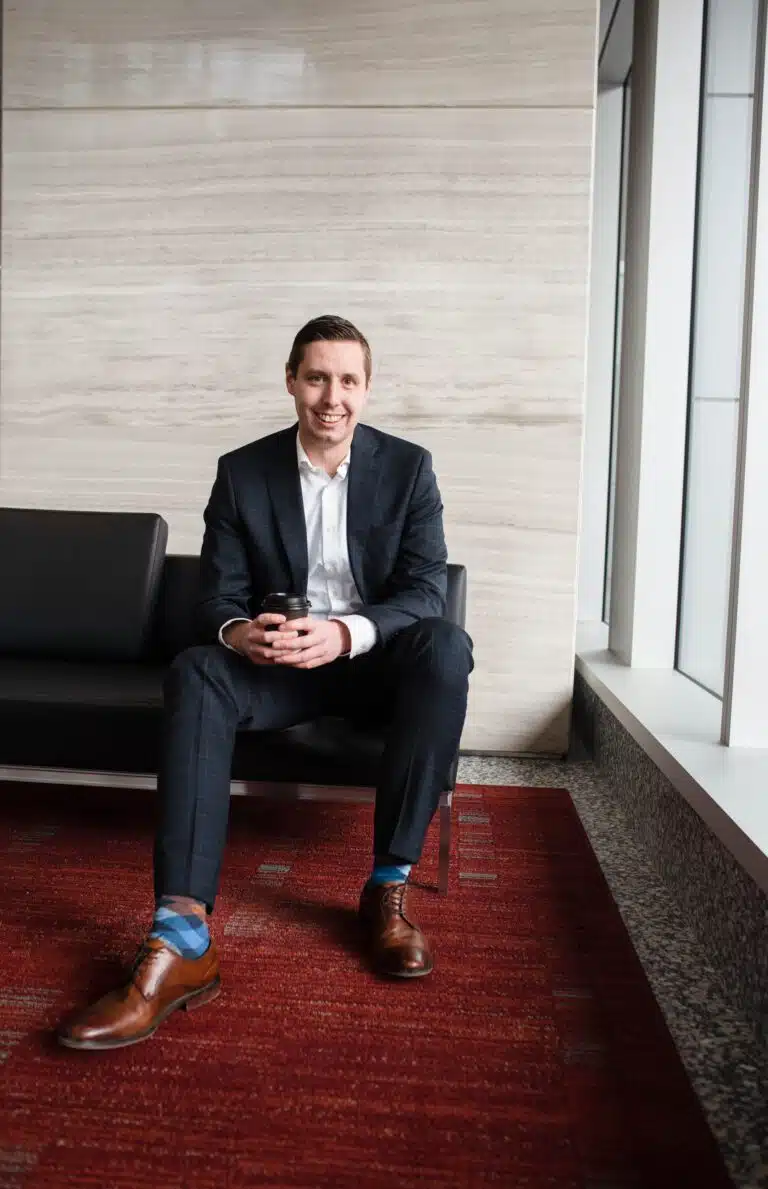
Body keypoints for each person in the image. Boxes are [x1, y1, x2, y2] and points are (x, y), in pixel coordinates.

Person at [58, 315, 474, 1051]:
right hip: (277, 668)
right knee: (195, 668)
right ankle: (182, 934)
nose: (332, 397)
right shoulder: (243, 471)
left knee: (446, 646)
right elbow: (215, 596)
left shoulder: (410, 470)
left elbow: (424, 592)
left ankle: (388, 885)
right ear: (291, 381)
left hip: (373, 666)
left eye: (348, 380)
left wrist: (346, 632)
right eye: (317, 377)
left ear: (368, 389)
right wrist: (240, 632)